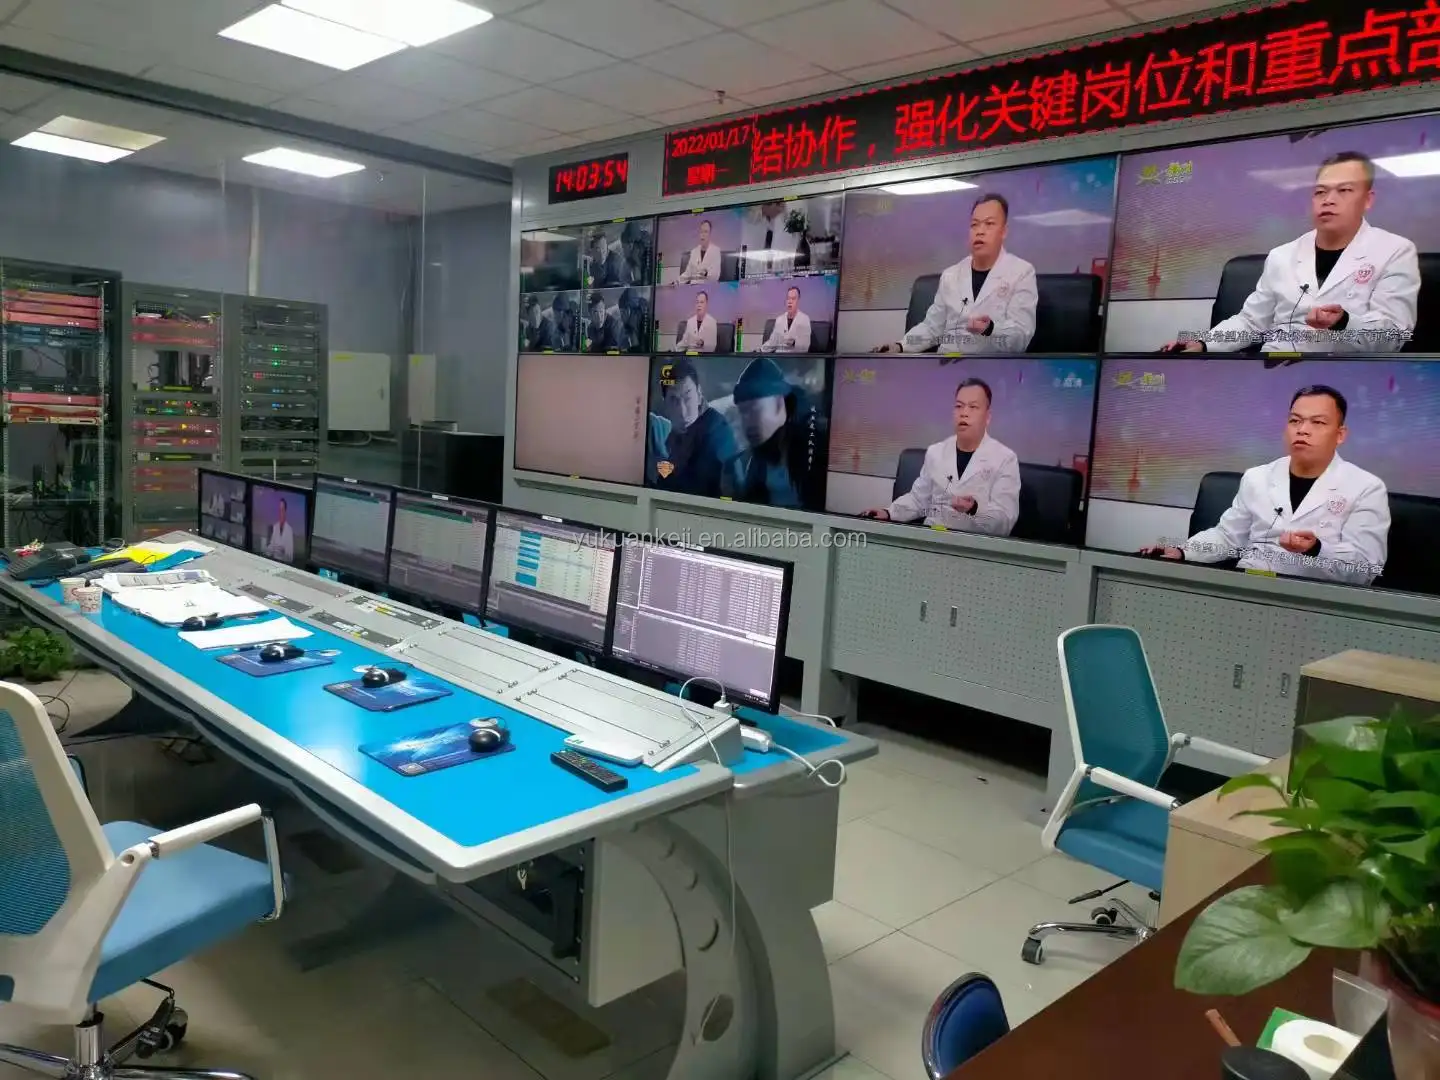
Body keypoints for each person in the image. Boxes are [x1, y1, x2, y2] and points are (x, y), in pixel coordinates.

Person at [1161, 152, 1419, 355]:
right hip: (1275, 366)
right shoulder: (1282, 255)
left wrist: (1343, 322)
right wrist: (1203, 344)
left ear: (1368, 200)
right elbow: (1251, 322)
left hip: (1347, 371)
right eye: (1320, 191)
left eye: (1344, 190)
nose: (1328, 200)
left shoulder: (1395, 251)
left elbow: (1394, 336)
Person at [1140, 385, 1389, 585]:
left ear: (1340, 435)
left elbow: (1366, 569)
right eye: (1295, 421)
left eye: (1318, 423)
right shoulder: (1257, 477)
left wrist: (1316, 549)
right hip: (1249, 584)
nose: (1303, 430)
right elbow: (1228, 537)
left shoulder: (1366, 488)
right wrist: (1182, 551)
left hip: (1316, 598)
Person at [875, 193, 1038, 354]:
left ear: (1004, 231)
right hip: (947, 361)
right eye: (974, 225)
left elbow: (1021, 338)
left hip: (991, 366)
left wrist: (990, 329)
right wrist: (900, 346)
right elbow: (931, 328)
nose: (980, 231)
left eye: (989, 224)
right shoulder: (950, 275)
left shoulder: (1021, 272)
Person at [862, 378, 1021, 534]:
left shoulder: (1005, 459)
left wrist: (974, 509)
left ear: (987, 417)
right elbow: (918, 500)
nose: (964, 413)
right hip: (932, 536)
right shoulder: (935, 452)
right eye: (959, 406)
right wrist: (889, 513)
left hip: (974, 544)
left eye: (973, 407)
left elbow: (1005, 520)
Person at [721, 357, 823, 509]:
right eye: (743, 412)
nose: (747, 422)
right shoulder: (756, 458)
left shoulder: (817, 445)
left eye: (754, 409)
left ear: (779, 404)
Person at [648, 359, 740, 497]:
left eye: (687, 397)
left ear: (699, 394)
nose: (682, 411)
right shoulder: (672, 436)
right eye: (674, 400)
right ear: (664, 402)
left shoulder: (716, 432)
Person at [741, 200, 802, 276]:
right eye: (779, 208)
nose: (779, 211)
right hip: (747, 257)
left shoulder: (767, 220)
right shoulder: (749, 213)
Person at [760, 286, 811, 353]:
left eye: (793, 299)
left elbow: (805, 347)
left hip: (795, 357)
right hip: (779, 356)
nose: (790, 301)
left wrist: (793, 343)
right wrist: (760, 350)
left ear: (798, 300)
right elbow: (772, 342)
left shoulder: (804, 320)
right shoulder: (779, 320)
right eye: (788, 298)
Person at [679, 219, 723, 284]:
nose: (703, 234)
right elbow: (687, 273)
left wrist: (705, 273)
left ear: (710, 234)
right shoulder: (694, 252)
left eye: (706, 232)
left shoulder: (716, 251)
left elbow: (716, 275)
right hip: (693, 287)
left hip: (709, 287)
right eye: (701, 232)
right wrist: (676, 282)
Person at [263, 498, 296, 563]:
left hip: (283, 563)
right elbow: (271, 545)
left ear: (285, 511)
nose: (280, 513)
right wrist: (266, 551)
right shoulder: (275, 527)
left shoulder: (289, 530)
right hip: (273, 561)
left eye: (282, 510)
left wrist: (281, 552)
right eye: (279, 510)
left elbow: (290, 557)